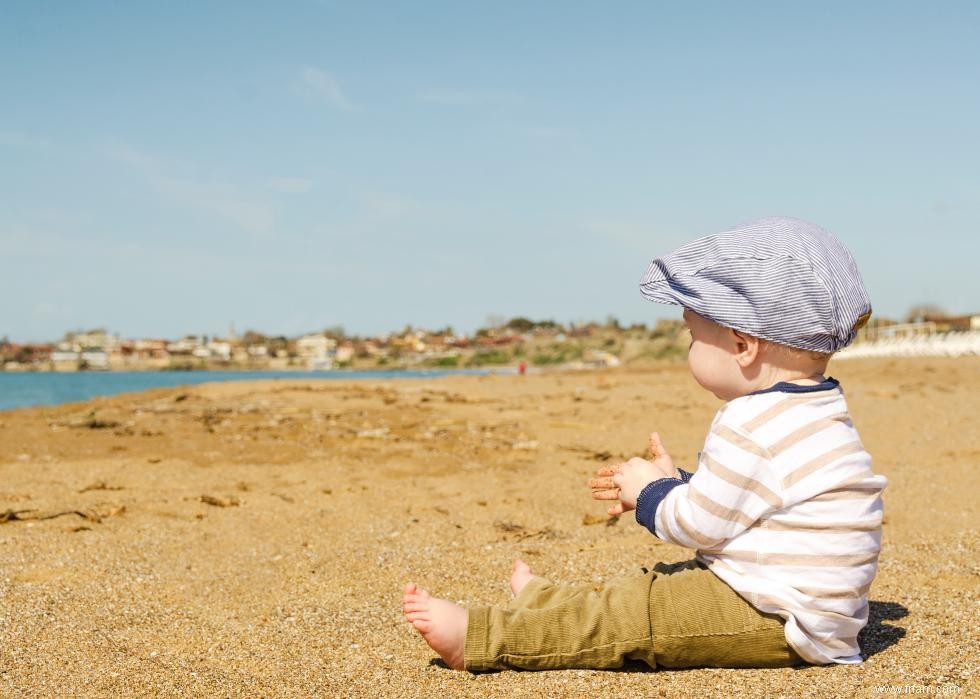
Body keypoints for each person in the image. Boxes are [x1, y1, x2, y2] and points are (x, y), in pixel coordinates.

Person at [402, 216, 887, 671]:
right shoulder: (819, 407)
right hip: (810, 609)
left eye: (694, 337)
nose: (689, 348)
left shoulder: (748, 420)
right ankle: (546, 603)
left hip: (778, 617)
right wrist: (679, 482)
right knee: (654, 585)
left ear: (743, 345)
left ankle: (482, 638)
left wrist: (650, 495)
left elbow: (700, 526)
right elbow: (754, 501)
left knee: (637, 614)